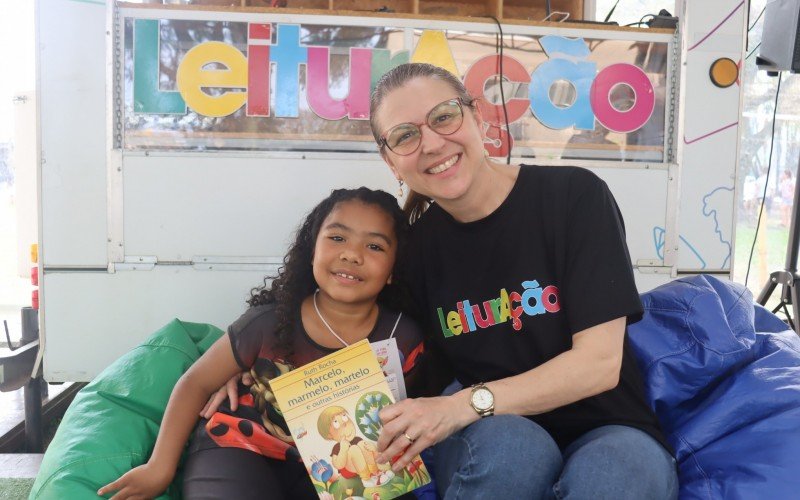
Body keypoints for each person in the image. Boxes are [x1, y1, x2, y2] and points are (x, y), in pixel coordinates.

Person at [367, 63, 678, 499]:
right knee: (515, 451)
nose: (432, 143)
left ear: (479, 117)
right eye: (405, 135)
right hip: (493, 438)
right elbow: (354, 326)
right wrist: (250, 365)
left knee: (617, 473)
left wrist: (463, 405)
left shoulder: (574, 197)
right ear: (391, 161)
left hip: (611, 427)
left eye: (443, 116)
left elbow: (598, 365)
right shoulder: (414, 252)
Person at [98, 188, 427, 500]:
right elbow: (195, 383)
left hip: (335, 465)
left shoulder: (404, 337)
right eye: (337, 238)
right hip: (241, 444)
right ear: (312, 249)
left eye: (375, 247)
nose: (352, 254)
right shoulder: (267, 322)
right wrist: (160, 466)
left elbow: (403, 413)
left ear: (393, 270)